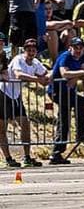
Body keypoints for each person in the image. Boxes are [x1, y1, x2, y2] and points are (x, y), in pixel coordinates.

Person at [1, 35, 47, 167]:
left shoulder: (36, 62)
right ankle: (8, 158)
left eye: (33, 50)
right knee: (2, 128)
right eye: (28, 50)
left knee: (25, 125)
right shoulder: (18, 59)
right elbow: (18, 75)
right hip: (4, 94)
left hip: (16, 95)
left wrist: (48, 77)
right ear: (24, 50)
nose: (31, 52)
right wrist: (37, 79)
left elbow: (45, 74)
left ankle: (27, 157)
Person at [48, 37, 84, 164]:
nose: (79, 50)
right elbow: (64, 74)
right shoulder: (65, 56)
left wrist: (78, 76)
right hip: (58, 91)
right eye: (76, 47)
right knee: (64, 119)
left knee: (81, 103)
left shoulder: (82, 57)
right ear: (70, 47)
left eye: (81, 48)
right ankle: (56, 152)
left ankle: (81, 133)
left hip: (69, 91)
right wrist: (80, 73)